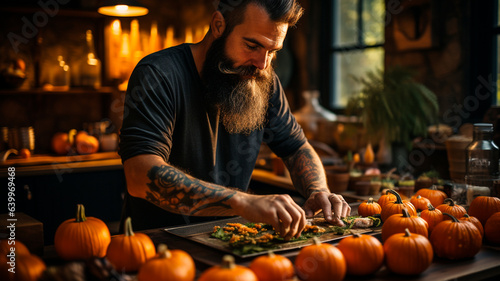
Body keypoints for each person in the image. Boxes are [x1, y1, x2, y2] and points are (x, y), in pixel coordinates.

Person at [119, 0, 350, 240]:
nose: (262, 65)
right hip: (158, 246)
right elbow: (139, 175)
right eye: (252, 46)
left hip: (230, 242)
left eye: (272, 52)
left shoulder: (263, 80)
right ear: (219, 25)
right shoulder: (158, 74)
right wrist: (241, 202)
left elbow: (296, 147)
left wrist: (318, 190)